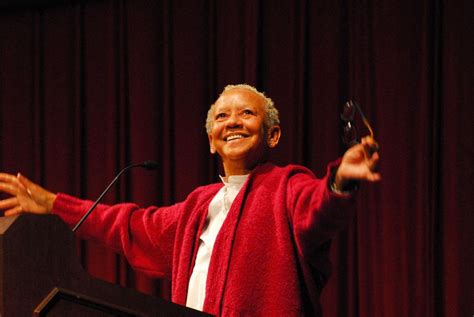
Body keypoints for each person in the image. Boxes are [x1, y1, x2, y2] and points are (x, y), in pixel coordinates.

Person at [0, 84, 380, 316]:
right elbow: (127, 224)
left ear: (273, 135)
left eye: (247, 114)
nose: (232, 122)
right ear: (212, 140)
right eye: (222, 117)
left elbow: (319, 208)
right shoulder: (199, 206)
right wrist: (55, 204)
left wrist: (339, 183)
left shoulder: (288, 187)